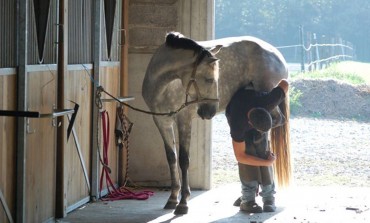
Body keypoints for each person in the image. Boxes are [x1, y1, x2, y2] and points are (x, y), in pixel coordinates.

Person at [225, 79, 289, 213]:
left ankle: (268, 198)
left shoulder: (267, 101)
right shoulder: (238, 124)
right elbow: (240, 156)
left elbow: (285, 83)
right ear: (250, 124)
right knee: (248, 154)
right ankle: (248, 199)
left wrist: (266, 160)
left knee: (262, 149)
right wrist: (266, 163)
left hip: (256, 105)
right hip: (238, 111)